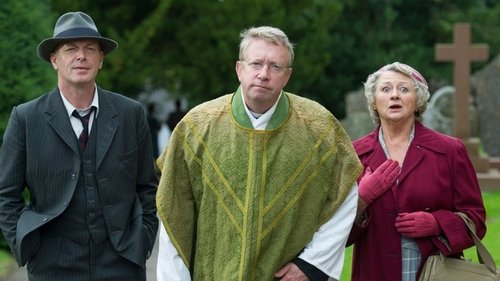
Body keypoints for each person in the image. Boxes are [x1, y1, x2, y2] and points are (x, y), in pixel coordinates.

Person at [155, 26, 363, 281]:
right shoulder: (197, 127)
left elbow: (344, 195)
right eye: (256, 63)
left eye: (275, 67)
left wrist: (311, 264)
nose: (264, 74)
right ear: (239, 68)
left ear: (287, 76)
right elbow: (173, 212)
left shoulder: (319, 127)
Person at [0, 11, 159, 281]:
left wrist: (141, 240)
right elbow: (6, 194)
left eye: (90, 49)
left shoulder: (131, 113)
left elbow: (148, 187)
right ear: (54, 60)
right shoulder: (26, 119)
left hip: (122, 262)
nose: (81, 56)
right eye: (71, 49)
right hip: (52, 264)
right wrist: (28, 246)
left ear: (100, 60)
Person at [346, 62, 487, 281]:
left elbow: (476, 221)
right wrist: (362, 198)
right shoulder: (353, 155)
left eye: (404, 89)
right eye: (385, 89)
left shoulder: (450, 151)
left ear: (417, 100)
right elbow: (332, 232)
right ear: (374, 100)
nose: (395, 95)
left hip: (436, 273)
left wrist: (437, 224)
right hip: (373, 273)